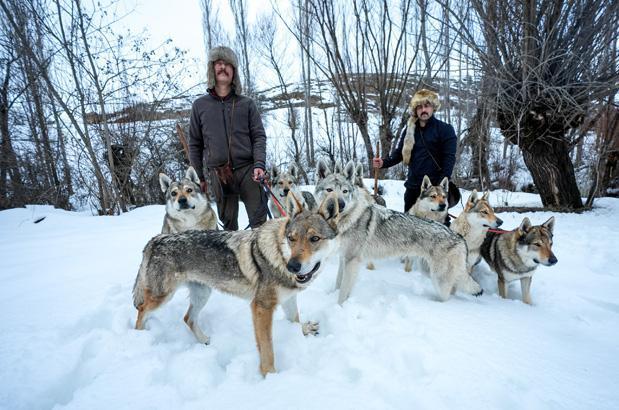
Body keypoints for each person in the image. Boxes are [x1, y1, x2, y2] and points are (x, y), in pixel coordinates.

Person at [189, 46, 267, 230]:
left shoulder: (247, 104)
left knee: (260, 226)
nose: (223, 67)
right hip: (219, 174)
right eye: (218, 63)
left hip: (249, 171)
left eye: (227, 64)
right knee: (229, 228)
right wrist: (199, 177)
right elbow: (195, 144)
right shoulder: (200, 106)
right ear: (212, 69)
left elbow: (258, 136)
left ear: (234, 71)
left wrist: (259, 164)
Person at [373, 89, 457, 213]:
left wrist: (440, 187)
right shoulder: (409, 130)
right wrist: (383, 163)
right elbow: (399, 154)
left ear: (433, 107)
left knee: (436, 223)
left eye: (427, 106)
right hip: (412, 189)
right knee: (409, 223)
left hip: (434, 191)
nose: (423, 110)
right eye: (419, 107)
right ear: (415, 110)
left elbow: (449, 160)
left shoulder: (445, 129)